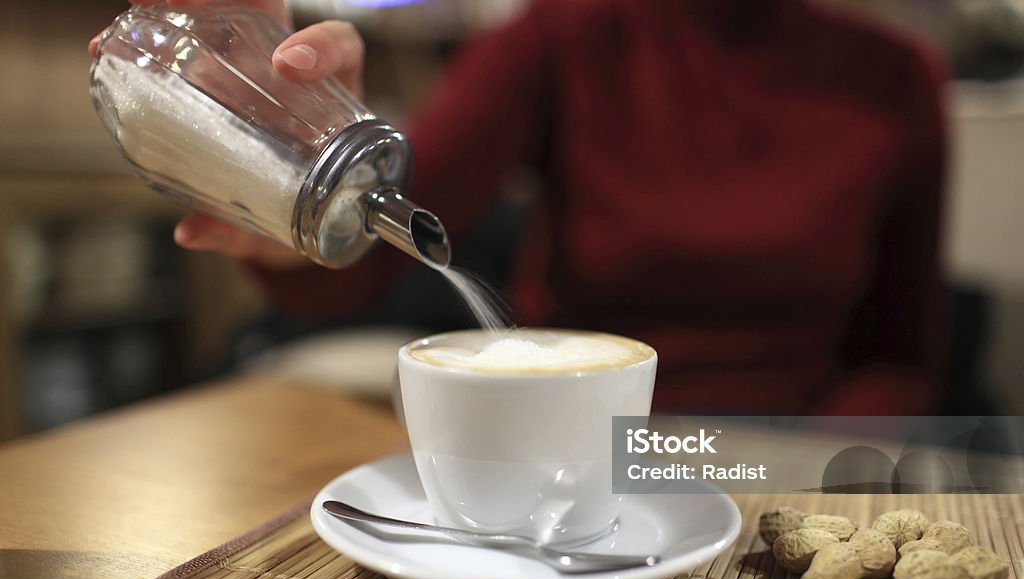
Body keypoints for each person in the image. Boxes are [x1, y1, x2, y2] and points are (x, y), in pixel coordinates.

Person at [92, 0, 949, 414]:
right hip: (570, 440)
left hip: (786, 453)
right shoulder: (571, 37)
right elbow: (380, 248)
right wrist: (293, 189)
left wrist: (814, 476)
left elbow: (900, 351)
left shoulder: (895, 80)